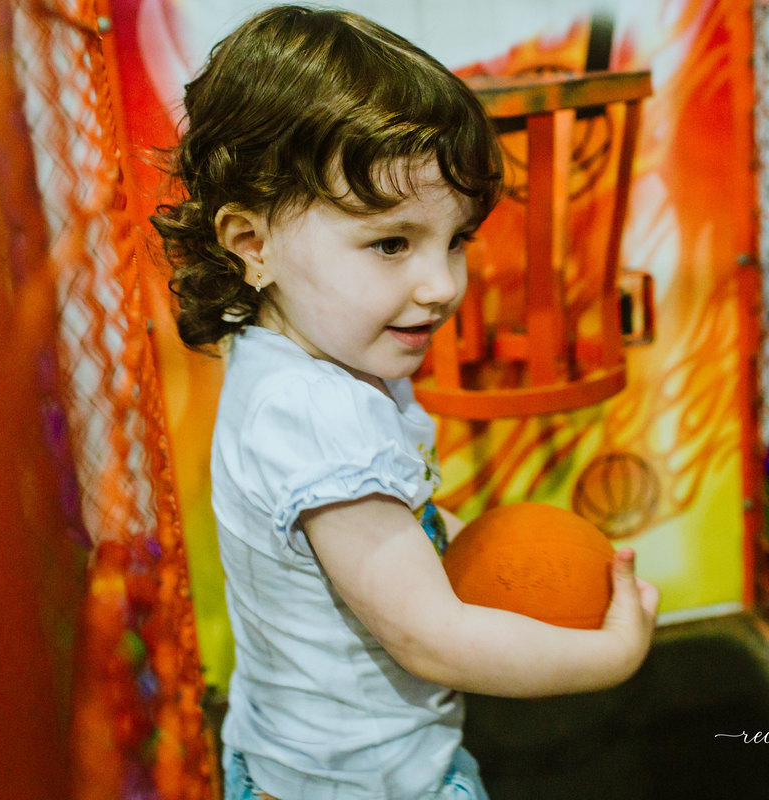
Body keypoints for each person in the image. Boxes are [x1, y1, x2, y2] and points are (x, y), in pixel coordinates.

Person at [151, 6, 660, 799]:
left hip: (301, 762)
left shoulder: (308, 359)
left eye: (455, 239)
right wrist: (611, 658)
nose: (441, 286)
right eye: (391, 243)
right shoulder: (317, 414)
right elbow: (432, 639)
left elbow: (392, 526)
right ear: (254, 244)